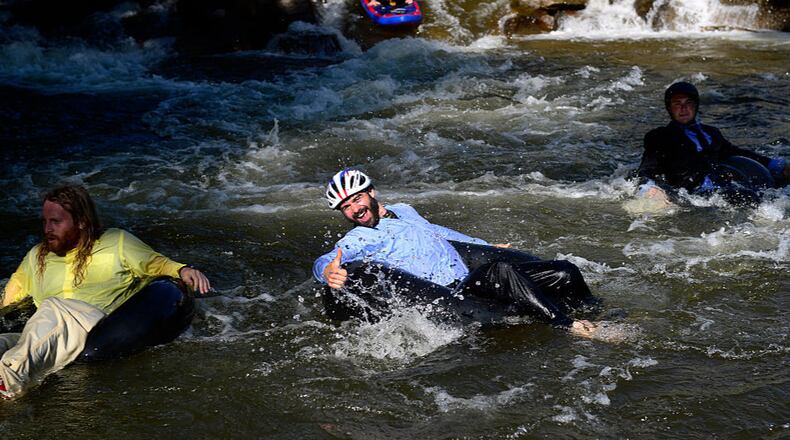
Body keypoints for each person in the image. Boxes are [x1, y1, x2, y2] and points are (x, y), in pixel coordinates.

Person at [313, 169, 600, 337]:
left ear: (372, 193)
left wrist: (485, 244)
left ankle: (596, 313)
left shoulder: (403, 210)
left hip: (469, 278)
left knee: (564, 270)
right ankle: (568, 325)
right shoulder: (361, 236)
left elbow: (439, 233)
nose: (354, 209)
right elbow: (331, 257)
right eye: (345, 207)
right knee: (500, 271)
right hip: (452, 294)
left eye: (357, 199)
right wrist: (327, 270)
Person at [0, 185, 211, 399]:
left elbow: (157, 264)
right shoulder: (36, 256)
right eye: (44, 222)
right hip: (47, 334)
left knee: (51, 308)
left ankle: (8, 389)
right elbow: (9, 297)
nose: (47, 229)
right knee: (7, 343)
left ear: (81, 221)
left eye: (55, 222)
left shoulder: (116, 242)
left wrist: (183, 270)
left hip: (90, 325)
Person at [637, 81, 788, 205]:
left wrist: (776, 164)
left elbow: (736, 153)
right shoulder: (660, 137)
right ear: (669, 108)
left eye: (688, 103)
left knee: (781, 183)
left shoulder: (711, 132)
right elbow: (647, 168)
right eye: (677, 103)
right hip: (696, 194)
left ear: (695, 106)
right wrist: (648, 188)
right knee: (748, 197)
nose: (683, 108)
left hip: (725, 182)